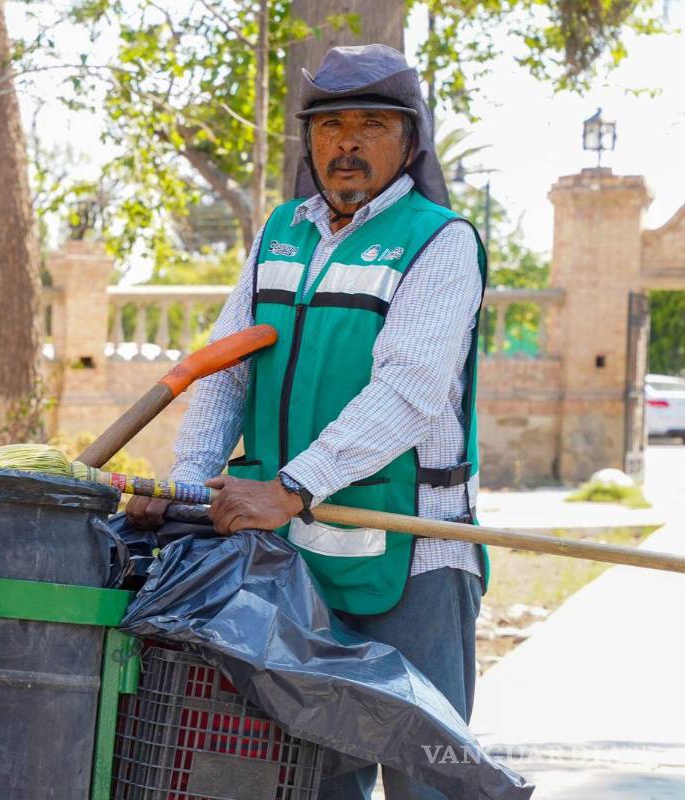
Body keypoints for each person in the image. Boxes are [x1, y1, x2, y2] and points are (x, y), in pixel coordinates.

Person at [127, 44, 488, 800]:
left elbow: (407, 392)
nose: (346, 144)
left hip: (411, 551)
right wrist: (188, 483)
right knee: (312, 769)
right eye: (329, 127)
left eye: (369, 125)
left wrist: (292, 485)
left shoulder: (441, 242)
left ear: (410, 140)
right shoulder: (279, 234)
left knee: (427, 770)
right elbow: (228, 368)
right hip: (293, 552)